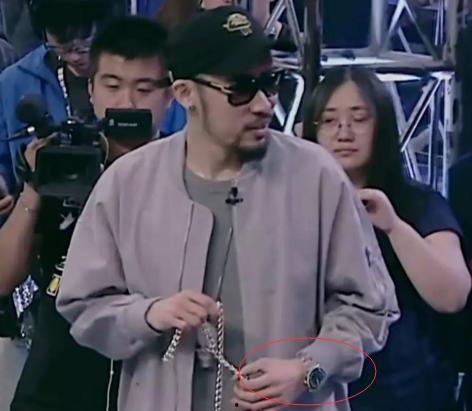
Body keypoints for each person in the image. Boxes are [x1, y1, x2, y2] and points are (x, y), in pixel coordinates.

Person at [57, 7, 399, 411]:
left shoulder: (317, 177)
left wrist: (308, 371)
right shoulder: (127, 184)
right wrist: (147, 315)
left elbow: (370, 309)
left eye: (269, 83)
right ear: (185, 94)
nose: (263, 104)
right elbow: (83, 304)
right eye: (240, 88)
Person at [0, 16, 172, 411]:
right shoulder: (62, 162)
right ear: (91, 88)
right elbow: (3, 278)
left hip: (150, 374)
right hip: (57, 373)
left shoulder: (187, 170)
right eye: (112, 85)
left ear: (171, 94)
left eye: (144, 89)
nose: (127, 103)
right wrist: (34, 187)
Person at [303, 66, 471, 411]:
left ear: (381, 127)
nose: (344, 132)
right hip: (319, 390)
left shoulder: (418, 204)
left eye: (359, 119)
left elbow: (452, 296)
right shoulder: (293, 205)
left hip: (407, 394)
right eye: (329, 120)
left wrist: (393, 226)